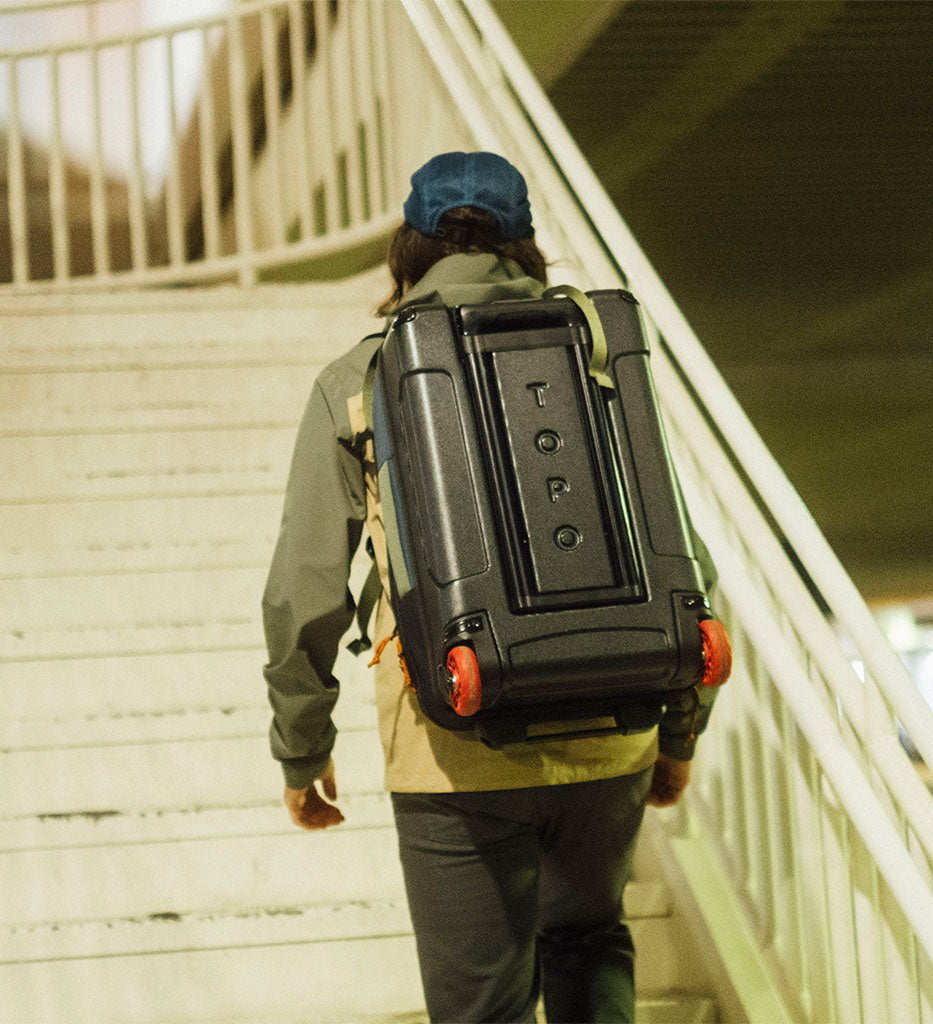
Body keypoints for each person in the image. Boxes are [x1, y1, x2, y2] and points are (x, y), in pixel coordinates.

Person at [262, 151, 721, 1024]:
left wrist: (301, 746)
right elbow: (683, 555)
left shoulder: (359, 380)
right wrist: (680, 728)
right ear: (525, 246)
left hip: (453, 743)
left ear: (407, 249)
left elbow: (303, 591)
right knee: (589, 941)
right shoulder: (598, 354)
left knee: (482, 1010)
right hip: (612, 724)